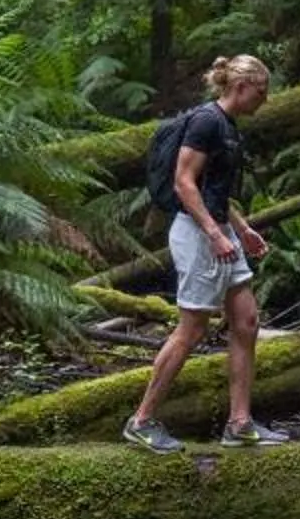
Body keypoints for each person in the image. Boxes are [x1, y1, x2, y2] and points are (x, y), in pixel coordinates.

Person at [124, 53, 290, 452]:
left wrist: (243, 229)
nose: (264, 100)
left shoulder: (229, 128)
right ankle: (141, 420)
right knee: (193, 328)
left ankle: (239, 423)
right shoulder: (206, 122)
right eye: (261, 91)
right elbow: (184, 183)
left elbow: (216, 191)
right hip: (199, 235)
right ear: (240, 87)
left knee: (247, 321)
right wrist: (216, 234)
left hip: (220, 233)